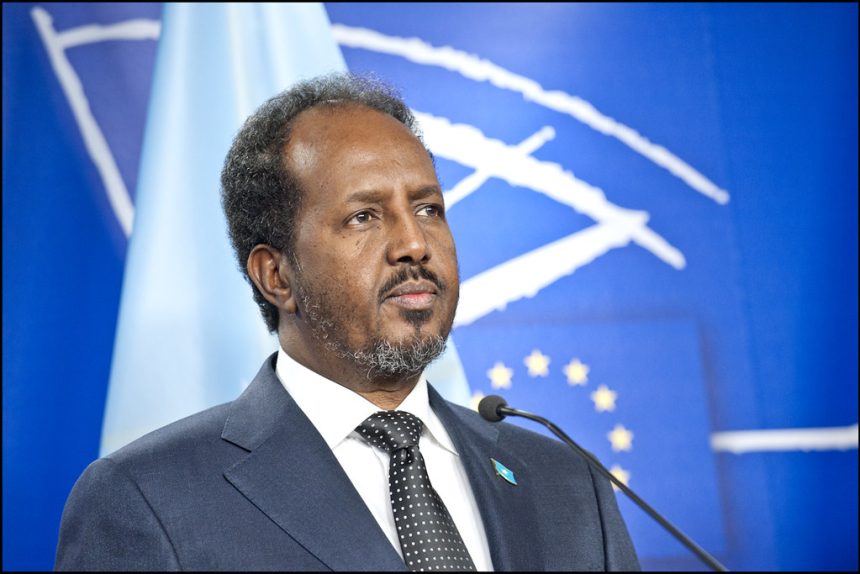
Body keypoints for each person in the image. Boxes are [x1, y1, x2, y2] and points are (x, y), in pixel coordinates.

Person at [55, 73, 640, 571]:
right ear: (276, 276)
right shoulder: (147, 499)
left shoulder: (568, 483)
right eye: (364, 217)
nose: (414, 244)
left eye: (428, 209)